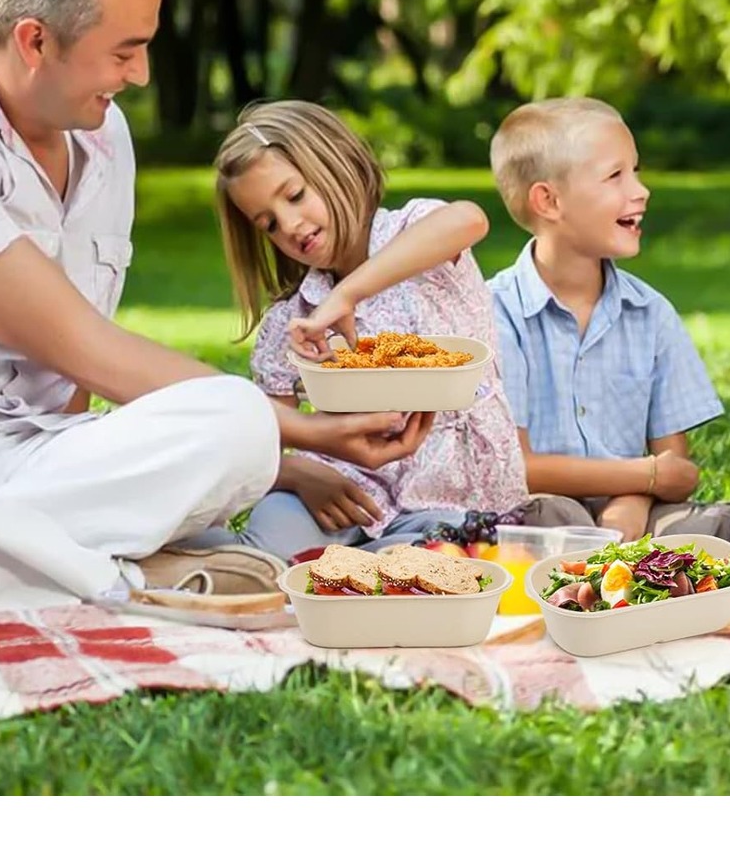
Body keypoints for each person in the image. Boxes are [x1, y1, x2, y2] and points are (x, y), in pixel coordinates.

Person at [0, 0, 430, 616]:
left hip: (38, 462)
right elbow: (87, 348)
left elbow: (70, 380)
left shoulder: (101, 136)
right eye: (125, 51)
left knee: (231, 421)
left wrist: (266, 445)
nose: (142, 75)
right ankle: (113, 574)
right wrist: (313, 431)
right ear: (35, 42)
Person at [205, 100, 528, 561]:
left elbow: (469, 219)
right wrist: (297, 475)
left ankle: (371, 563)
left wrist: (346, 295)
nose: (291, 226)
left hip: (453, 496)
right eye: (269, 224)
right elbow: (267, 436)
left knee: (445, 557)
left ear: (336, 161)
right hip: (339, 493)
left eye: (295, 195)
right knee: (262, 556)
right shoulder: (292, 318)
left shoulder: (418, 236)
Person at [486, 97, 730, 543]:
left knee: (724, 526)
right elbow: (515, 469)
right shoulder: (495, 313)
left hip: (635, 511)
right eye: (615, 176)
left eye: (636, 171)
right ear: (549, 200)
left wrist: (631, 504)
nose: (641, 190)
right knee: (549, 521)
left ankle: (617, 565)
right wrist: (644, 479)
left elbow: (675, 470)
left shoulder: (651, 313)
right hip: (540, 507)